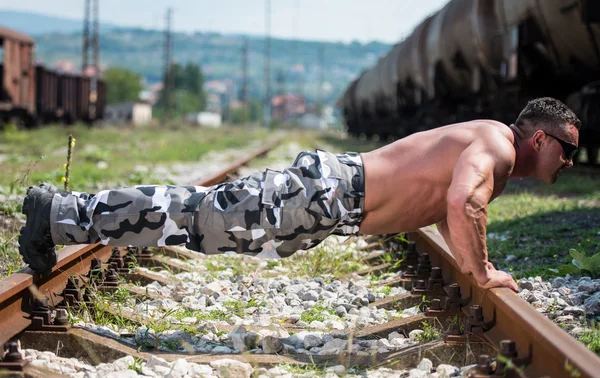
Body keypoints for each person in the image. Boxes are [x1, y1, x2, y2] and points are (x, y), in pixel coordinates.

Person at [19, 97, 580, 292]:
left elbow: (442, 205)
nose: (570, 161)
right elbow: (463, 203)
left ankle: (60, 216)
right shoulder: (498, 148)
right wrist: (480, 272)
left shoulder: (492, 151)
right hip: (327, 194)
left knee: (194, 221)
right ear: (539, 138)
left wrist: (471, 257)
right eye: (567, 149)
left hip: (326, 198)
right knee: (189, 215)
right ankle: (56, 214)